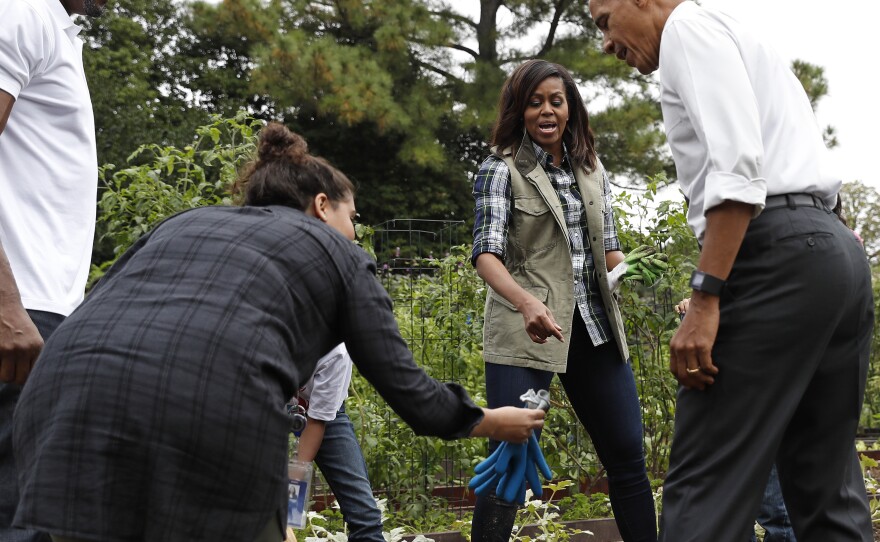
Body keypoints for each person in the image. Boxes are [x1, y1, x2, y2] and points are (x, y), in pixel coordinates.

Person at [11, 123, 546, 542]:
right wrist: (488, 421)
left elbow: (100, 303)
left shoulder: (183, 223)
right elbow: (409, 392)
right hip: (206, 413)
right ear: (321, 206)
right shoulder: (338, 252)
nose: (355, 230)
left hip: (60, 405)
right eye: (352, 215)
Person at [589, 1, 874, 540]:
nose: (606, 42)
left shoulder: (686, 31)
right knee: (826, 488)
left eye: (605, 20)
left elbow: (737, 171)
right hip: (835, 255)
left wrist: (705, 296)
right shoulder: (741, 32)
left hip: (772, 255)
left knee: (706, 488)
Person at [470, 59, 657, 542]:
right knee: (510, 459)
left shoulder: (591, 169)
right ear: (520, 109)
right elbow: (486, 255)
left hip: (593, 327)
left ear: (570, 108)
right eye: (535, 102)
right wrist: (526, 303)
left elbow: (607, 250)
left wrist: (630, 268)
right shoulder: (501, 167)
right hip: (527, 327)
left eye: (556, 100)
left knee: (627, 457)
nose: (547, 111)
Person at [0, 0, 109, 540]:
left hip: (40, 311)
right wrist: (5, 304)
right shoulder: (21, 12)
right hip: (18, 310)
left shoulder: (57, 30)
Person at [675, 298, 795, 542]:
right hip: (725, 361)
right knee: (732, 501)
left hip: (762, 359)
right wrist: (698, 306)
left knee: (775, 508)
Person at [293, 344, 384, 542]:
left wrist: (294, 488)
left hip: (320, 413)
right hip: (264, 406)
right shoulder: (262, 325)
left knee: (364, 516)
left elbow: (316, 421)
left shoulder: (336, 351)